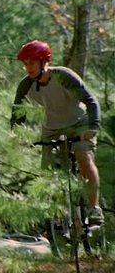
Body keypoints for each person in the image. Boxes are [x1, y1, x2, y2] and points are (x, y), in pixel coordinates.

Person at [10, 40, 103, 225]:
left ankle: (94, 208)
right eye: (26, 64)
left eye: (32, 63)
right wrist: (18, 137)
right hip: (51, 130)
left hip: (79, 124)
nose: (28, 68)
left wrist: (93, 127)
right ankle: (56, 222)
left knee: (83, 156)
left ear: (44, 62)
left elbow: (91, 102)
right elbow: (17, 115)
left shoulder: (63, 76)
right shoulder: (25, 85)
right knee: (48, 174)